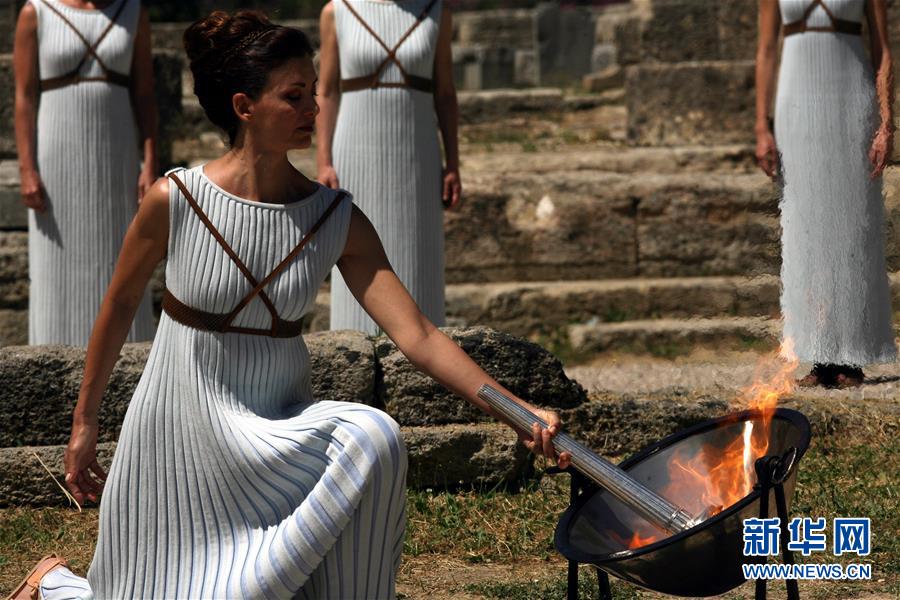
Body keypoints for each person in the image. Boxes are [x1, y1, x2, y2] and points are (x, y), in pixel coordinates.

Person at [7, 11, 568, 599]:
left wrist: (518, 412)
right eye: (294, 96)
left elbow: (420, 336)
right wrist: (85, 425)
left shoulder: (334, 217)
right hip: (178, 439)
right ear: (245, 106)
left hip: (273, 431)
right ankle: (53, 588)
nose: (314, 109)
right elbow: (118, 308)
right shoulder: (175, 199)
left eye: (313, 92)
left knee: (373, 436)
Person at [755, 0, 896, 387]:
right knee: (805, 228)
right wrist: (761, 127)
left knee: (851, 225)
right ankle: (817, 355)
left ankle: (850, 357)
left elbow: (882, 50)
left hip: (851, 102)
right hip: (795, 105)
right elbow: (767, 50)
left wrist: (887, 124)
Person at [13, 0, 157, 346]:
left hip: (118, 159)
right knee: (55, 265)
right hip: (56, 160)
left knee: (120, 255)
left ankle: (126, 359)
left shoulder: (133, 12)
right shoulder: (36, 11)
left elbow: (145, 94)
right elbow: (24, 96)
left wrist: (150, 162)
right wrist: (27, 167)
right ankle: (52, 358)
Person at [316, 0, 461, 335]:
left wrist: (452, 163)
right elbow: (326, 91)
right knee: (353, 244)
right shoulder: (337, 11)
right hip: (355, 150)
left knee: (417, 254)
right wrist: (324, 160)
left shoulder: (437, 11)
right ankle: (355, 347)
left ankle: (425, 358)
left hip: (418, 152)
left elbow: (445, 94)